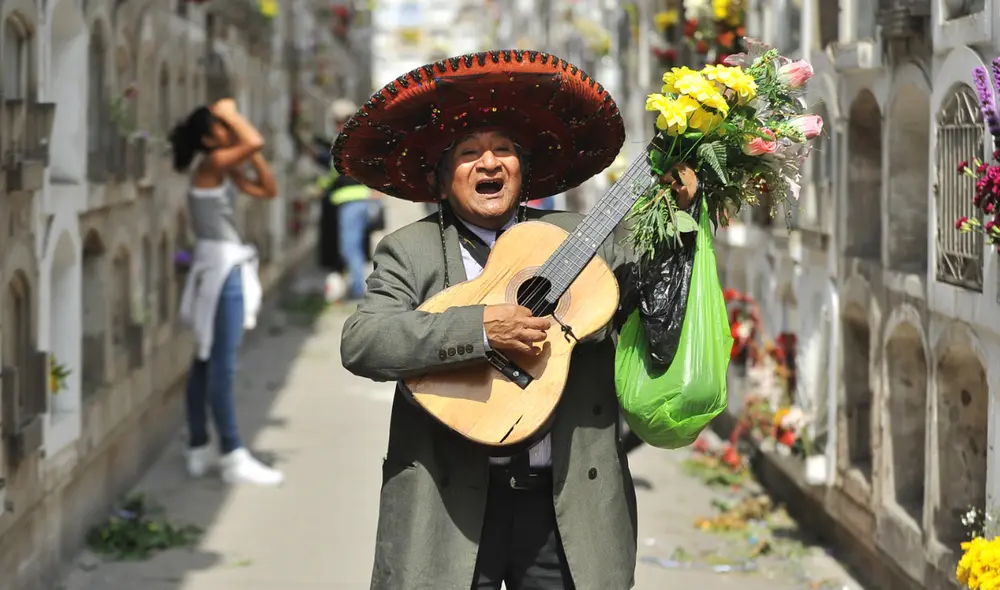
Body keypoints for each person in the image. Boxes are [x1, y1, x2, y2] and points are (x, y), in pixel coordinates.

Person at [334, 50, 696, 590]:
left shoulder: (580, 237)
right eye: (469, 153)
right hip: (450, 507)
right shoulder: (408, 250)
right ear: (441, 179)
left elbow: (657, 300)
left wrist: (679, 218)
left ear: (524, 172)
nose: (489, 163)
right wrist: (479, 330)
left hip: (565, 505)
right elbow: (363, 342)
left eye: (503, 150)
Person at [171, 98, 285, 487]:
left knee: (206, 359)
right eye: (219, 126)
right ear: (208, 138)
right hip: (221, 270)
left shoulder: (220, 167)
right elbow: (252, 140)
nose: (227, 130)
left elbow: (268, 190)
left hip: (220, 265)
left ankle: (199, 445)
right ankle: (233, 453)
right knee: (222, 362)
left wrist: (252, 159)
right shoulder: (211, 164)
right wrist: (231, 112)